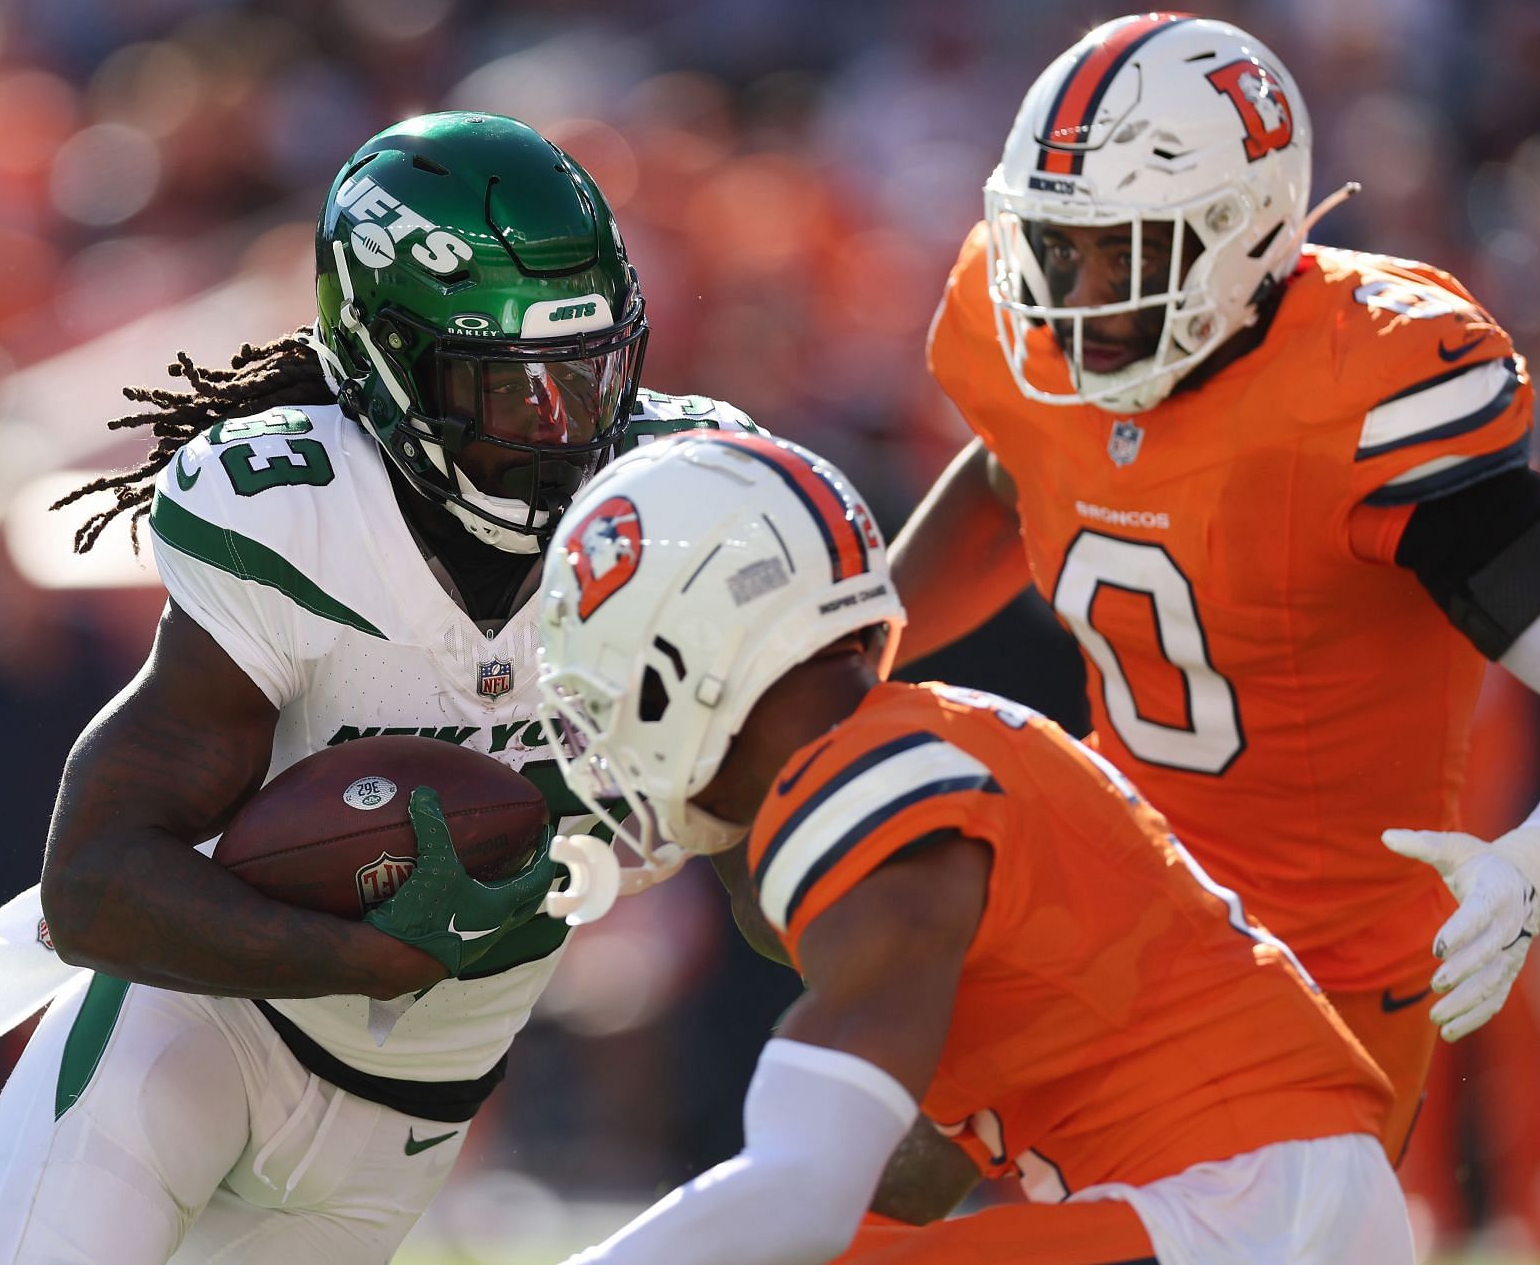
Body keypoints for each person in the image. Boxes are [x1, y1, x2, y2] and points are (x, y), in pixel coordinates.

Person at [0, 112, 758, 1263]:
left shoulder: (679, 504)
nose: (561, 429)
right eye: (507, 386)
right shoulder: (298, 512)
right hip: (193, 1035)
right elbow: (92, 883)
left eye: (586, 373)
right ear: (384, 362)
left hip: (406, 1122)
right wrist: (365, 953)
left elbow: (787, 875)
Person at [892, 12, 1540, 1161]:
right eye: (1061, 246)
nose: (1078, 295)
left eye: (1127, 252)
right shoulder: (1047, 349)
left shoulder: (1360, 393)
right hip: (1127, 885)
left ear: (1239, 232)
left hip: (1317, 982)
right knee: (847, 880)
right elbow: (1015, 467)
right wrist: (857, 642)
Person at [529, 429, 1413, 1265]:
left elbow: (801, 1192)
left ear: (694, 657)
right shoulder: (930, 745)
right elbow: (896, 1179)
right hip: (1278, 1203)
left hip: (1239, 1210)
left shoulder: (866, 785)